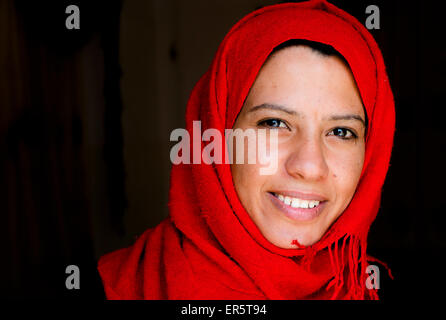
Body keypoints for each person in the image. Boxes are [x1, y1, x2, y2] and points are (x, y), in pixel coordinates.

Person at [97, 0, 395, 300]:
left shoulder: (367, 288)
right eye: (275, 123)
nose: (309, 166)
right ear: (218, 136)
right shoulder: (118, 288)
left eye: (341, 132)